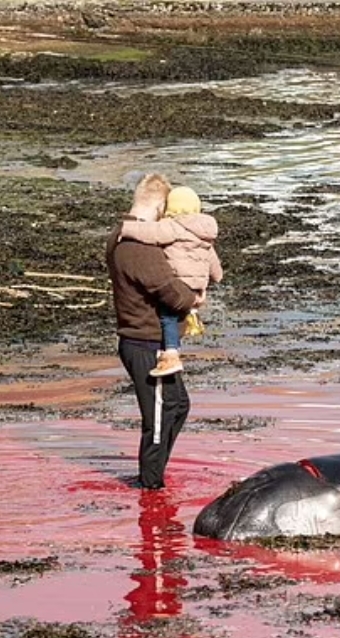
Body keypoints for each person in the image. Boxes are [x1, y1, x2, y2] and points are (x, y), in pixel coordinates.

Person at [106, 173, 202, 491]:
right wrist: (195, 297)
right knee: (158, 420)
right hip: (144, 343)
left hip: (144, 340)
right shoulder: (139, 249)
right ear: (160, 206)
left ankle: (153, 474)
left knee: (178, 405)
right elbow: (171, 293)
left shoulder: (121, 236)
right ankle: (150, 487)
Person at [118, 185, 223, 377]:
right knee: (180, 315)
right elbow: (214, 266)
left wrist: (126, 228)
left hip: (180, 283)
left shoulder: (174, 226)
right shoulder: (205, 234)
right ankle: (192, 316)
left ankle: (171, 353)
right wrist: (211, 280)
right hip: (197, 286)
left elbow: (150, 233)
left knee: (168, 318)